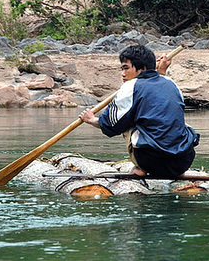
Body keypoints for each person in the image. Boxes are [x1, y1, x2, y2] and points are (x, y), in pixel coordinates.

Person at [79, 45, 199, 178]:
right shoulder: (171, 83)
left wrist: (91, 119)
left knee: (126, 121)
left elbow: (111, 124)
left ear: (143, 69)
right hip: (183, 160)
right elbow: (159, 100)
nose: (123, 74)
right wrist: (162, 71)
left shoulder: (130, 86)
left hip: (150, 161)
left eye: (126, 68)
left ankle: (140, 167)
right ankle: (173, 171)